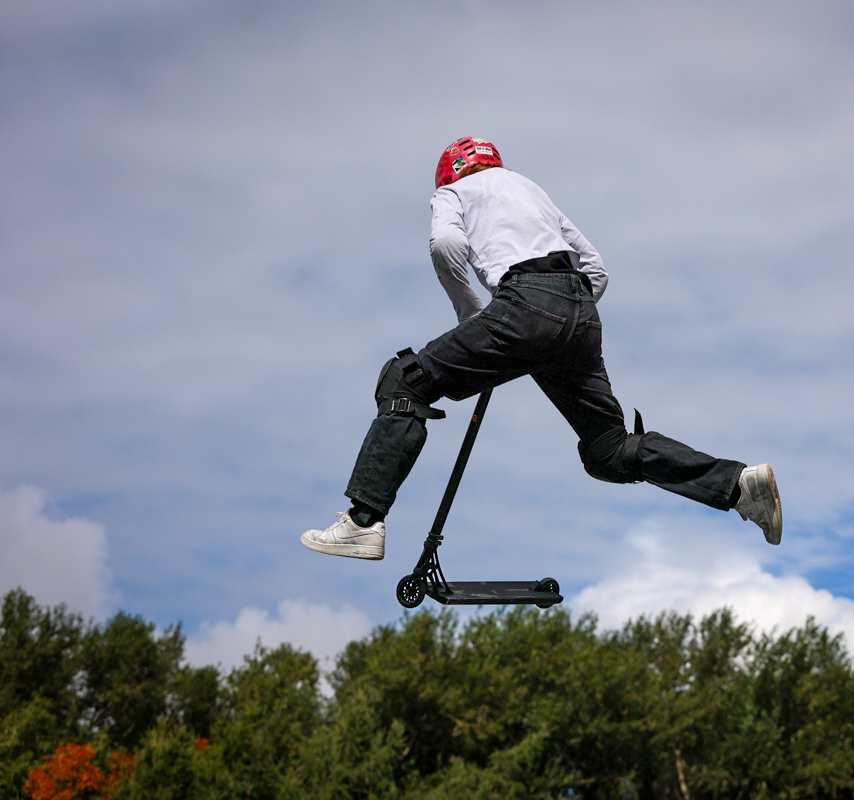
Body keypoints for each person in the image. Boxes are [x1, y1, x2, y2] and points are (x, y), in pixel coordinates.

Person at [302, 136, 782, 560]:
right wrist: (559, 320)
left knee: (402, 379)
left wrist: (482, 315)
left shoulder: (453, 192)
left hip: (526, 305)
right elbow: (595, 269)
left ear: (449, 172)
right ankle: (739, 485)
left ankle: (362, 524)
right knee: (607, 451)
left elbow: (445, 244)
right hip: (579, 313)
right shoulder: (529, 188)